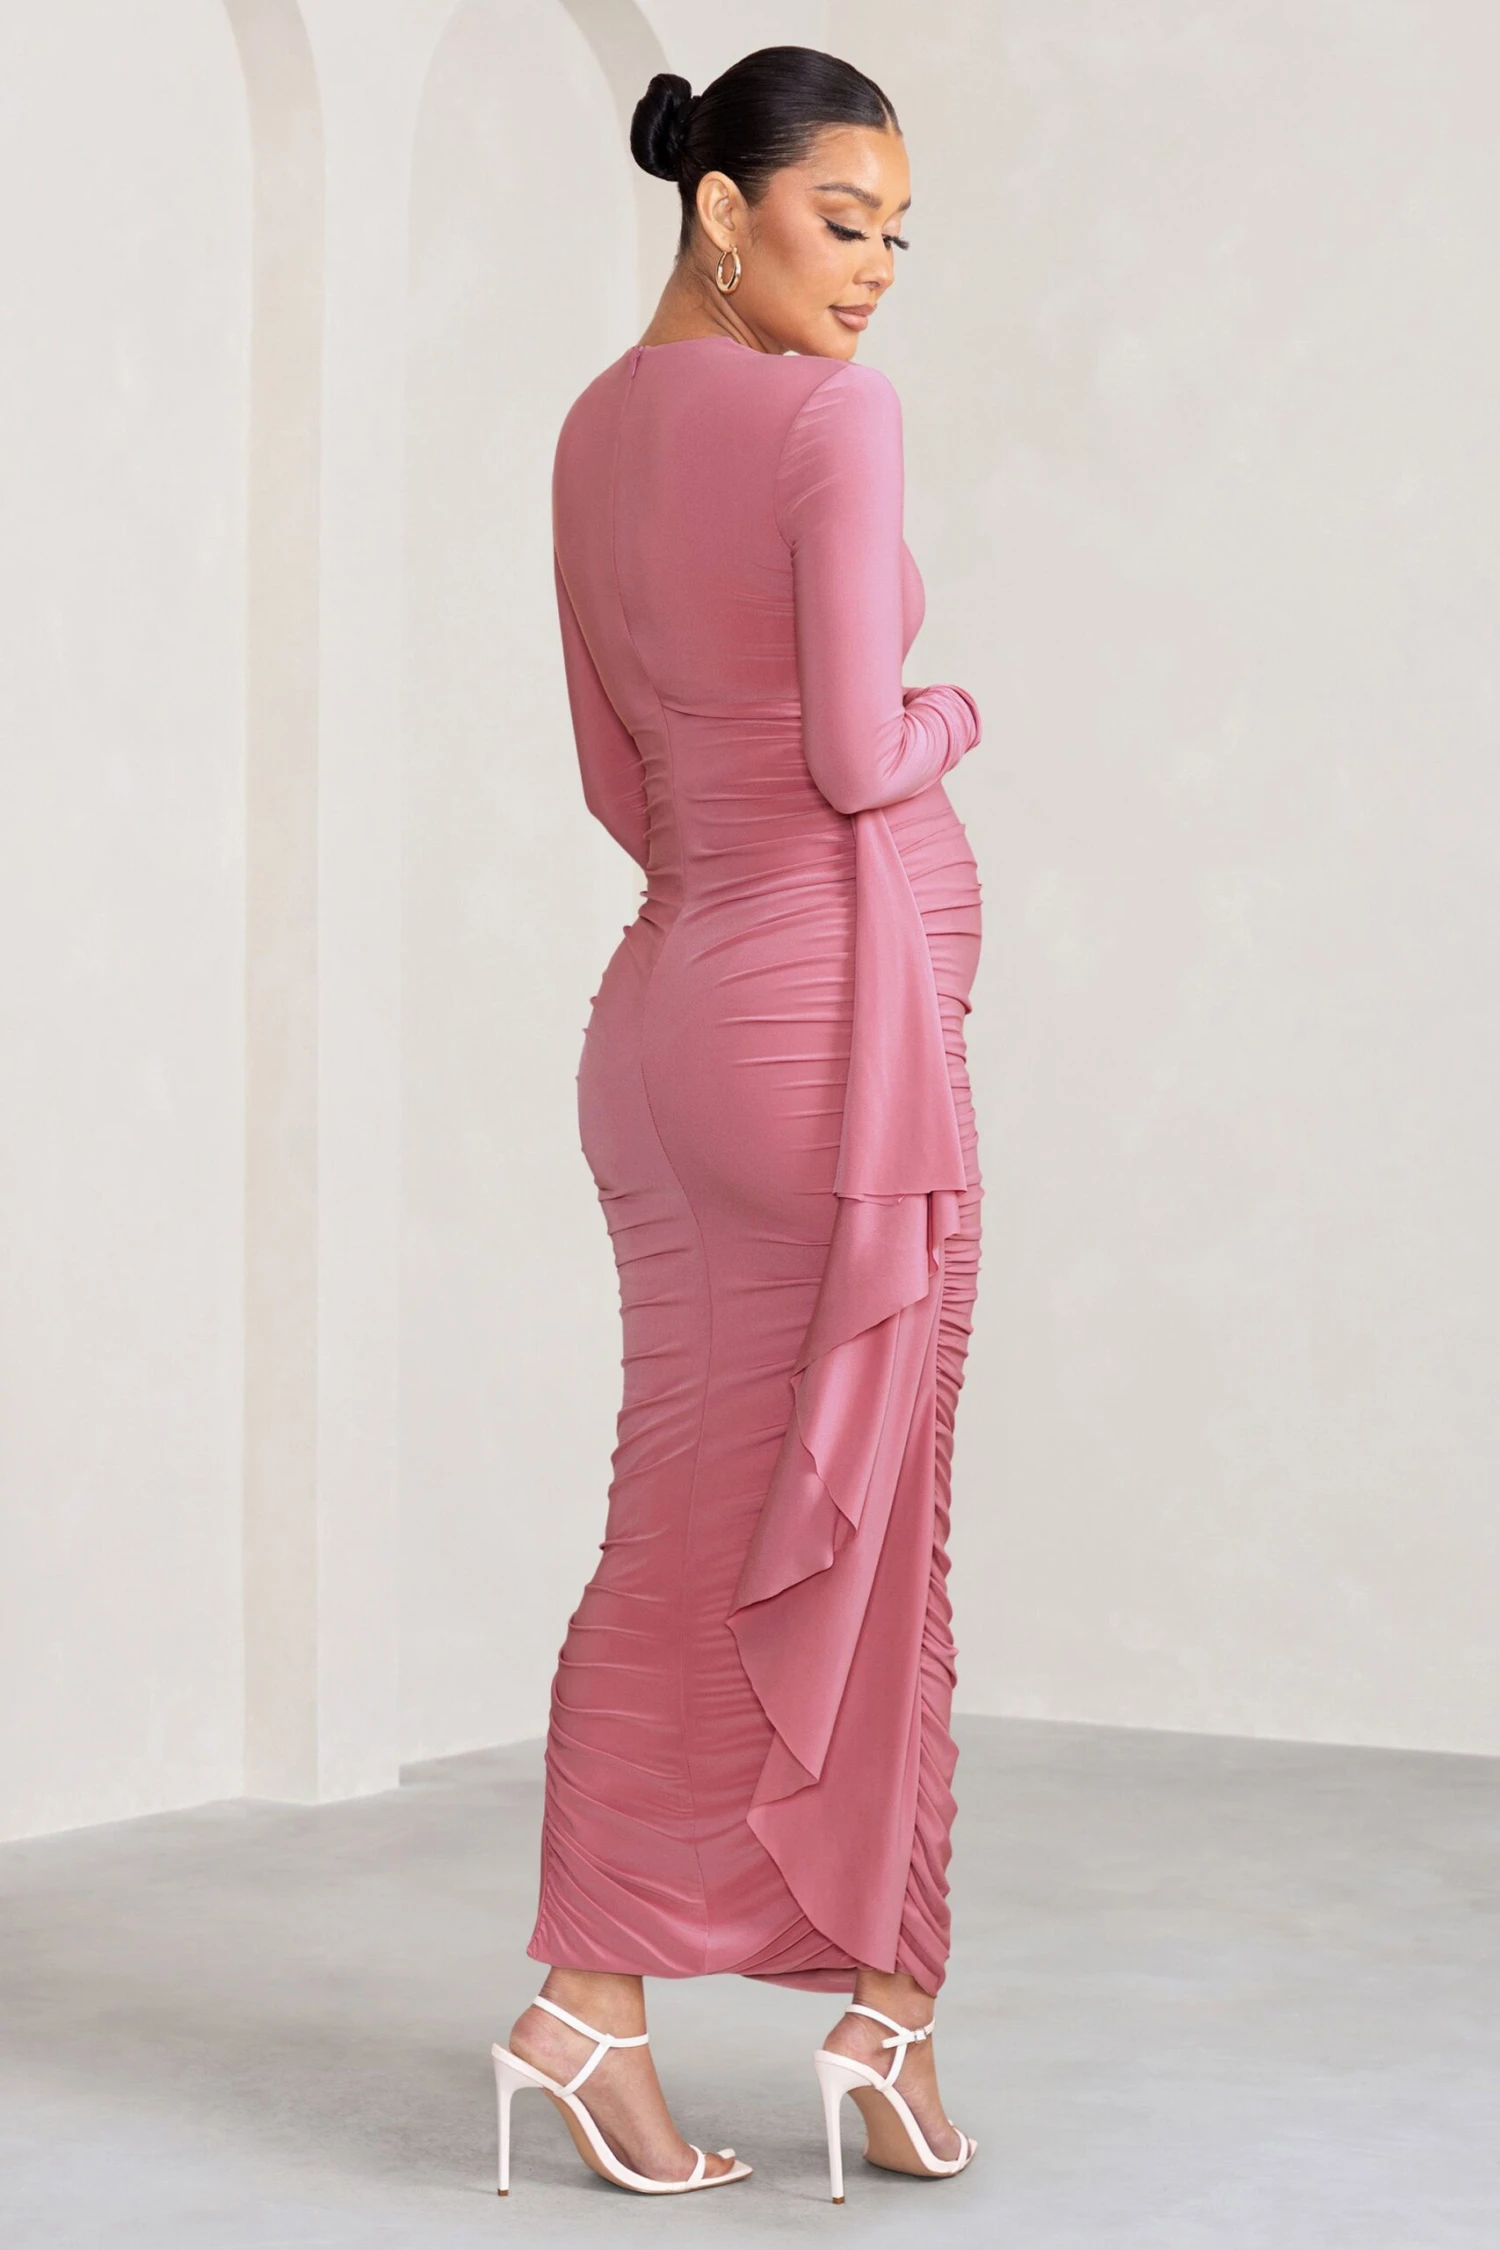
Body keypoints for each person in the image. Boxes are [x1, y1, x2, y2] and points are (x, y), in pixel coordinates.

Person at [490, 45, 984, 2201]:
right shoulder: (827, 421)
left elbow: (619, 786)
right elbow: (866, 756)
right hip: (827, 1054)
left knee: (682, 1517)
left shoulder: (594, 428)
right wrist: (959, 707)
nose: (872, 272)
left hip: (668, 1017)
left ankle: (589, 2007)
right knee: (868, 1521)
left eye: (894, 236)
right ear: (722, 209)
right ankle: (886, 2016)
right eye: (839, 221)